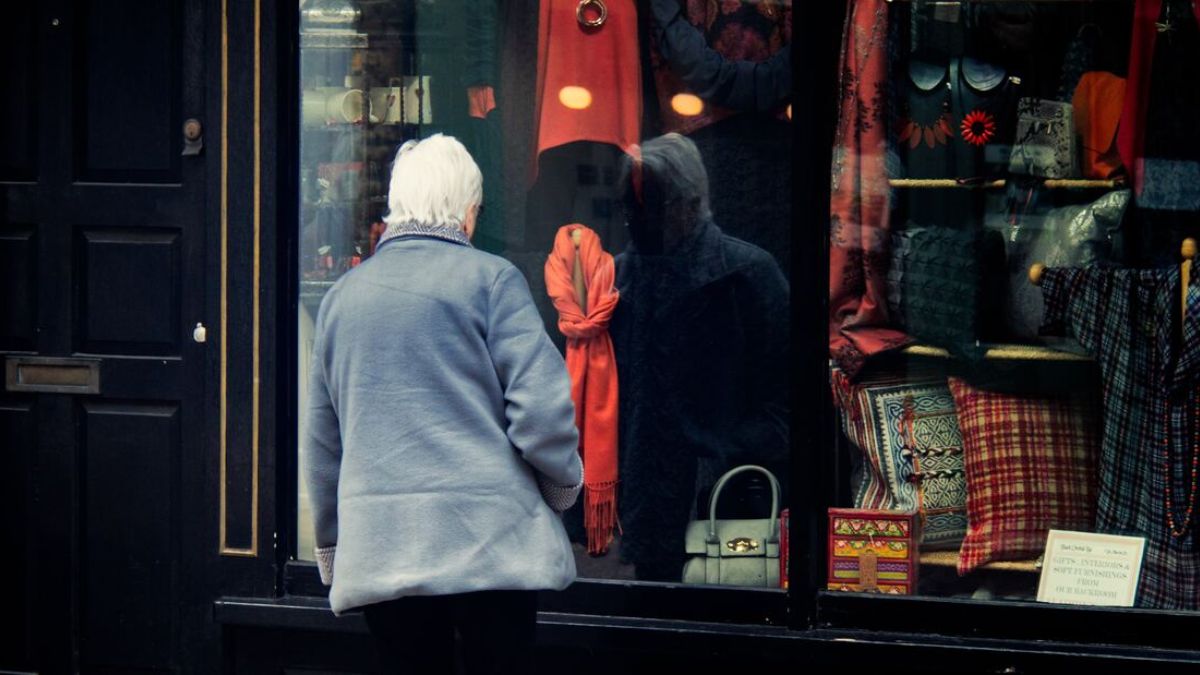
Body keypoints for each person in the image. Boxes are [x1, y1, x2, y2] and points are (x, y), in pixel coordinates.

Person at [302, 134, 583, 674]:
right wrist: (560, 489)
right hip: (493, 548)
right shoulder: (493, 280)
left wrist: (334, 548)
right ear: (468, 211)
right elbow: (542, 413)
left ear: (397, 203)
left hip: (383, 552)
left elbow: (322, 443)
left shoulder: (342, 298)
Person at [610, 132, 790, 581]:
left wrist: (722, 453)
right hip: (641, 512)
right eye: (631, 207)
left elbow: (788, 404)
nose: (638, 222)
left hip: (727, 503)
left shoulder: (749, 275)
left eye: (651, 206)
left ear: (690, 205)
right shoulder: (615, 279)